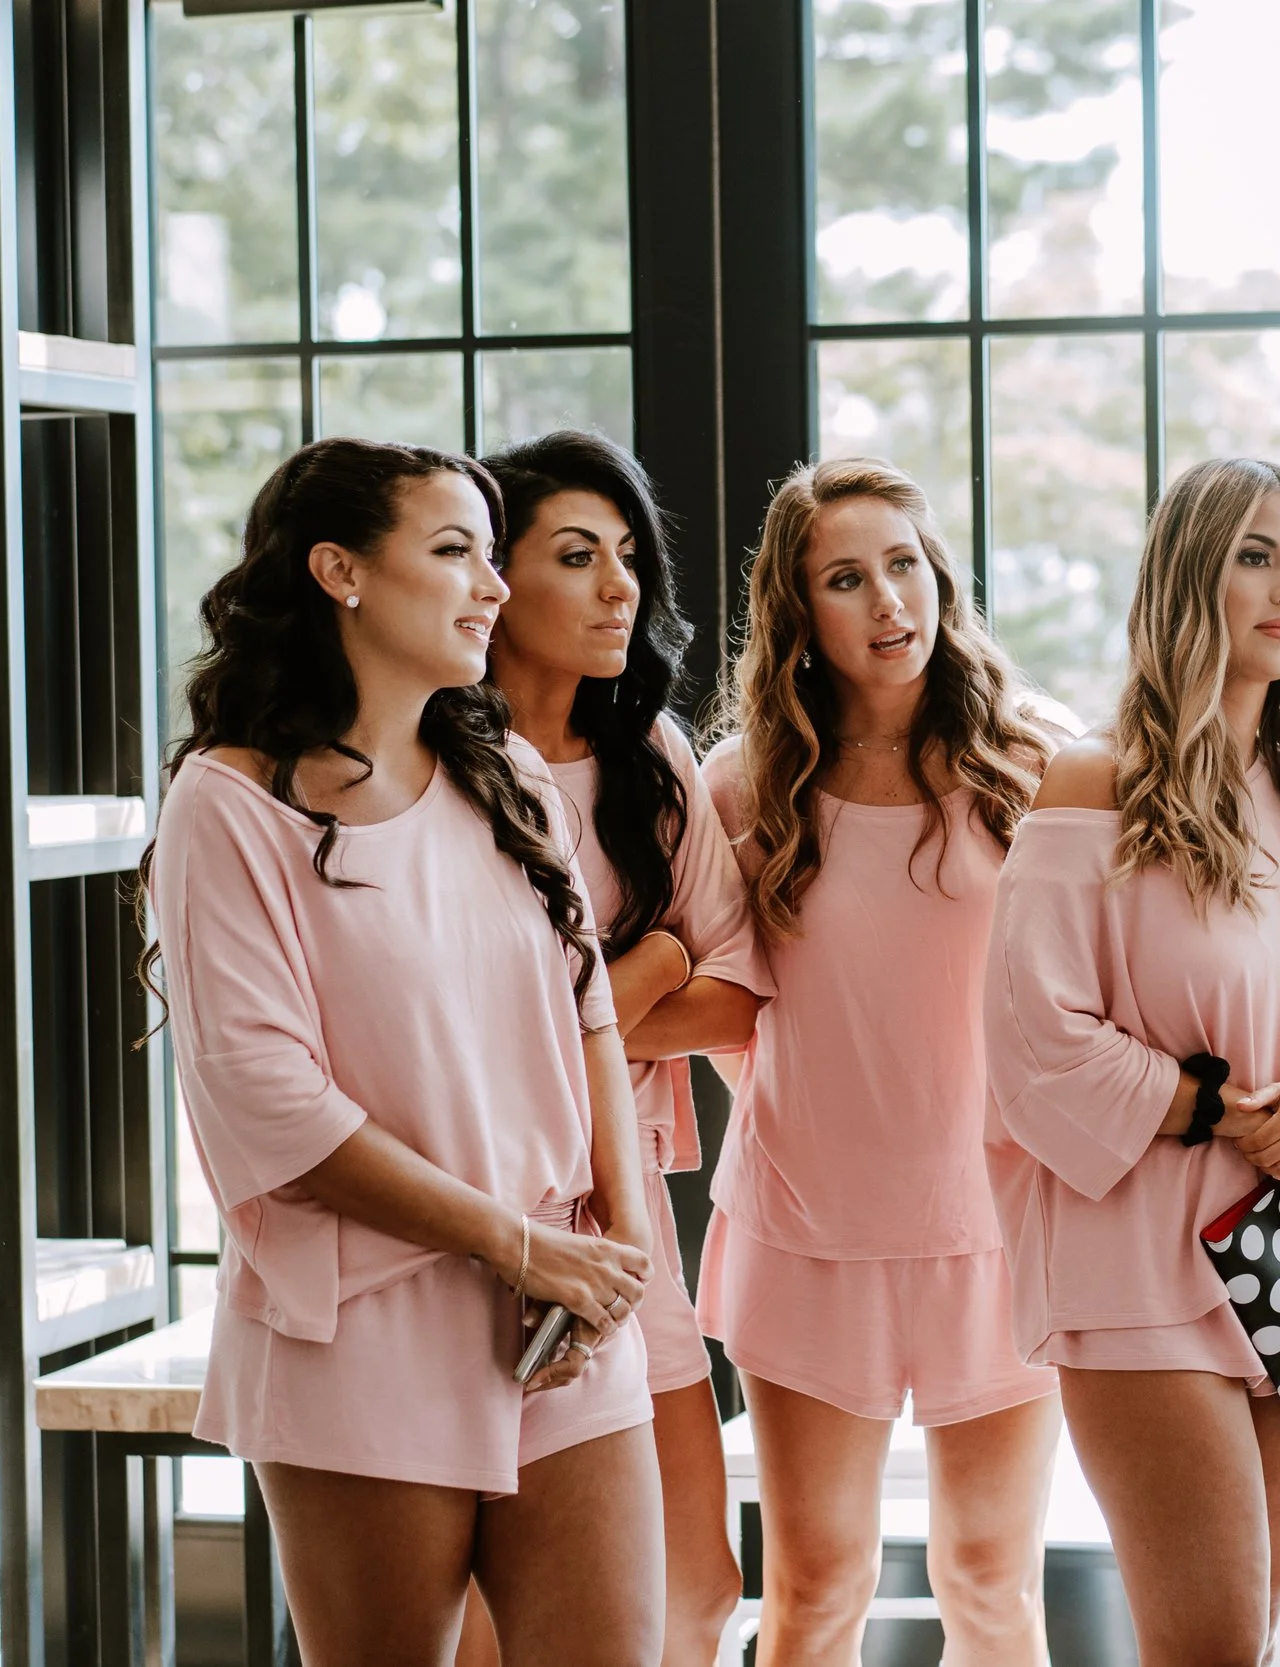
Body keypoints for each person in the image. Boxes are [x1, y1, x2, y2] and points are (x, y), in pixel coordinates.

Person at [142, 438, 664, 1667]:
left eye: (492, 554)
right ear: (340, 572)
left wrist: (619, 1251)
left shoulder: (509, 777)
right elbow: (268, 1101)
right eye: (453, 552)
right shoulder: (230, 805)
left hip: (565, 1314)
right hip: (359, 1333)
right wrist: (513, 1242)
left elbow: (587, 1010)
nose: (492, 586)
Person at [984, 456, 1280, 1665]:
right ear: (1185, 578)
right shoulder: (1094, 782)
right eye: (1254, 555)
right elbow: (1029, 1035)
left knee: (1249, 1639)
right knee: (1207, 1645)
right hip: (1138, 1259)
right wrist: (1214, 1105)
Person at [697, 457, 1065, 1666]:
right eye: (846, 578)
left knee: (991, 1584)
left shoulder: (1036, 766)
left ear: (938, 574)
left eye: (902, 564)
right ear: (800, 613)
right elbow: (714, 998)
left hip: (1004, 1229)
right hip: (807, 1234)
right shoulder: (745, 787)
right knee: (812, 1590)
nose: (887, 601)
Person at [479, 430, 771, 1665]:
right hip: (475, 1193)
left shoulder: (650, 757)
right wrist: (648, 961)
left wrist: (602, 990)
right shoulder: (437, 765)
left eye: (628, 558)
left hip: (625, 1203)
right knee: (496, 1611)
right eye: (576, 555)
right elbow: (476, 1022)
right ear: (491, 579)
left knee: (699, 1584)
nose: (618, 587)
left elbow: (744, 993)